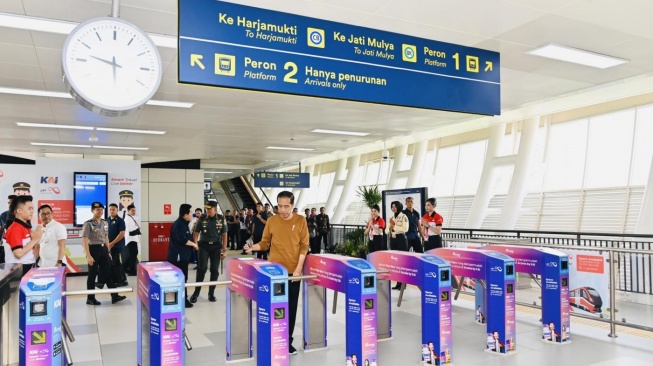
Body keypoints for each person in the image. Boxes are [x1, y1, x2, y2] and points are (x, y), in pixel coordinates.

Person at [244, 191, 309, 356]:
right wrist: (254, 247)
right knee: (275, 306)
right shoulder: (272, 221)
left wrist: (298, 268)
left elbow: (304, 245)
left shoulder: (301, 220)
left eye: (286, 206)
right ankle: (274, 337)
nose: (283, 210)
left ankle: (287, 340)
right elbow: (265, 243)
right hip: (274, 273)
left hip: (294, 272)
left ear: (293, 206)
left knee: (291, 307)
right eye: (280, 206)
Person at [81, 202, 126, 305]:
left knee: (108, 272)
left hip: (104, 250)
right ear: (92, 210)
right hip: (93, 250)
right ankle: (90, 298)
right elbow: (84, 239)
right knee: (92, 275)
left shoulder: (105, 223)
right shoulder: (88, 224)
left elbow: (106, 237)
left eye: (101, 210)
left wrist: (108, 251)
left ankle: (114, 295)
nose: (100, 212)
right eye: (97, 210)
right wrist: (88, 255)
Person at [190, 201, 227, 303]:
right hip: (203, 246)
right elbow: (196, 233)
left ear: (215, 209)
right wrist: (196, 244)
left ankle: (211, 294)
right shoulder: (202, 219)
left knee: (214, 270)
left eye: (209, 208)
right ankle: (196, 293)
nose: (207, 210)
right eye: (206, 208)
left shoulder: (221, 219)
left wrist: (224, 250)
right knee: (202, 268)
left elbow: (224, 234)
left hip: (216, 247)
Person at [167, 204, 199, 308]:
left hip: (183, 257)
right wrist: (194, 244)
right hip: (178, 257)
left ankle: (179, 298)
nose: (191, 214)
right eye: (190, 212)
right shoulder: (179, 225)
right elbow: (182, 239)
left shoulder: (184, 223)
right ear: (185, 214)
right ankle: (182, 300)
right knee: (181, 278)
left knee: (182, 278)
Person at [4, 195, 41, 276]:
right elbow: (18, 253)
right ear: (19, 210)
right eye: (29, 208)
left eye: (32, 208)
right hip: (18, 270)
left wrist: (36, 243)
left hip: (27, 267)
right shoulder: (15, 229)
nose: (32, 211)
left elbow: (29, 250)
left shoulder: (25, 227)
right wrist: (35, 240)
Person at [103, 203, 127, 288]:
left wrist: (112, 243)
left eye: (113, 209)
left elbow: (122, 233)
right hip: (109, 245)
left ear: (117, 210)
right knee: (116, 262)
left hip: (117, 245)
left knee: (115, 262)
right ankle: (122, 279)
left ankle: (120, 280)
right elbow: (105, 233)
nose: (112, 211)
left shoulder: (120, 221)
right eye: (110, 209)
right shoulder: (107, 220)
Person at [387, 201, 408, 290]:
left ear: (399, 207)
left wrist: (394, 226)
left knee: (402, 262)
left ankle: (403, 284)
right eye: (392, 207)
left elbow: (405, 229)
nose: (393, 208)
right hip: (393, 239)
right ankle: (398, 283)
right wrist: (390, 226)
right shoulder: (391, 217)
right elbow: (386, 230)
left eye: (395, 206)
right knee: (395, 262)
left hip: (401, 239)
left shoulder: (403, 216)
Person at [123, 204, 141, 276]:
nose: (134, 212)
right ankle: (129, 269)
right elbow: (130, 229)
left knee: (133, 254)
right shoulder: (128, 218)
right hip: (130, 239)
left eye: (134, 210)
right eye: (132, 210)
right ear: (128, 211)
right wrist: (137, 228)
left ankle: (127, 268)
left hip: (133, 238)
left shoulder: (131, 217)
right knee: (133, 254)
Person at [0, 194, 17, 264]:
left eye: (12, 203)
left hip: (18, 247)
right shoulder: (3, 215)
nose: (10, 205)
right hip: (5, 246)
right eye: (8, 203)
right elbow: (1, 229)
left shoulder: (22, 215)